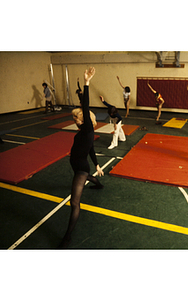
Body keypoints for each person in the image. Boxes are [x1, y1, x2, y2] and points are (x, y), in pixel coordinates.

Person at [59, 67, 104, 249]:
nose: (75, 119)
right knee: (88, 177)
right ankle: (99, 183)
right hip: (77, 164)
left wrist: (86, 83)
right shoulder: (85, 133)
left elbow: (85, 106)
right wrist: (98, 165)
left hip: (80, 167)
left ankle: (67, 237)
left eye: (77, 118)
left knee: (74, 202)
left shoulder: (87, 129)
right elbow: (91, 149)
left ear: (84, 120)